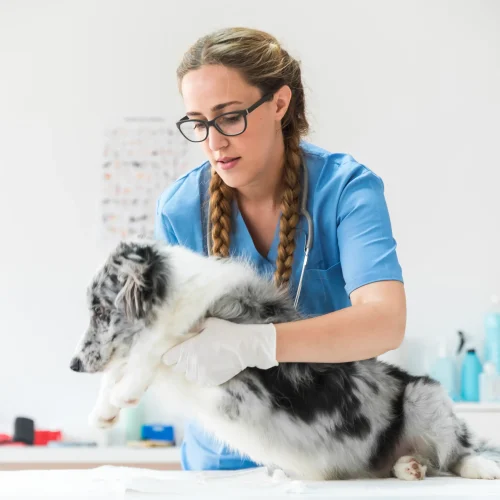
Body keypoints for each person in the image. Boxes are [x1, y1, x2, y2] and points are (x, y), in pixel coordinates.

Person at [154, 27, 406, 471]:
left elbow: (385, 322)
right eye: (198, 123)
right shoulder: (179, 210)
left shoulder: (345, 190)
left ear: (279, 104)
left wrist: (256, 343)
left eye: (229, 117)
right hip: (222, 464)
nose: (213, 143)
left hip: (329, 454)